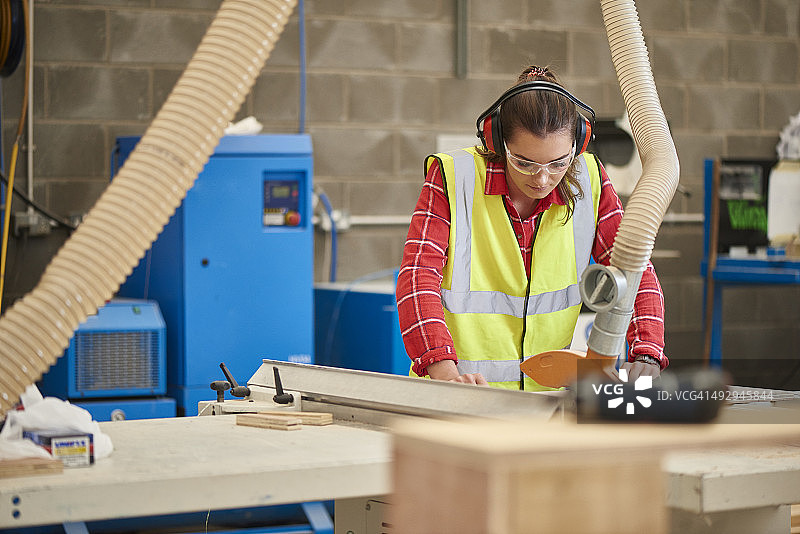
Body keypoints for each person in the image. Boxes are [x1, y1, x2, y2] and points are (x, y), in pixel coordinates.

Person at [396, 65, 667, 390]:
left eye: (557, 163)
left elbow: (634, 271)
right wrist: (444, 373)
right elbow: (417, 276)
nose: (541, 179)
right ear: (498, 141)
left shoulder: (590, 181)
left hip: (547, 404)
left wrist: (647, 354)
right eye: (524, 162)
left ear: (577, 146)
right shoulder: (454, 178)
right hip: (460, 395)